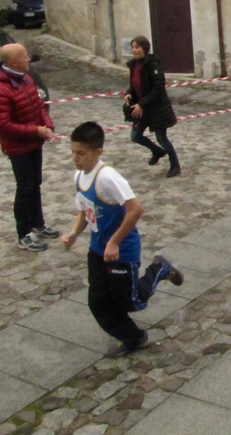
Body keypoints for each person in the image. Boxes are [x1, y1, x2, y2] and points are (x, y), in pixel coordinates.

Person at [61, 122, 184, 358]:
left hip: (121, 251)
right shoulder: (78, 176)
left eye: (81, 153)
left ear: (98, 153)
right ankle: (134, 338)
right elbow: (84, 211)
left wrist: (114, 241)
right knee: (98, 303)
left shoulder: (107, 178)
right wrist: (74, 233)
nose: (75, 158)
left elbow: (136, 209)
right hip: (97, 251)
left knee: (131, 302)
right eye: (73, 152)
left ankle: (160, 268)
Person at [0, 43, 58, 252]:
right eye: (25, 56)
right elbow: (4, 125)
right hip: (18, 147)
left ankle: (38, 223)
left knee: (35, 184)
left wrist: (47, 124)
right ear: (13, 62)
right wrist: (35, 130)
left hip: (34, 143)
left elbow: (39, 106)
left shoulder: (27, 79)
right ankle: (24, 233)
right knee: (25, 188)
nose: (29, 59)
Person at [124, 36, 181, 178]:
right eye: (132, 47)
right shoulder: (134, 65)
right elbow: (134, 85)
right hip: (140, 108)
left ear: (144, 48)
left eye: (137, 47)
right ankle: (157, 151)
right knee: (135, 136)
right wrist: (128, 93)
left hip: (156, 108)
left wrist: (142, 104)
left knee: (162, 138)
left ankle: (175, 165)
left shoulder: (153, 65)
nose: (134, 50)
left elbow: (158, 89)